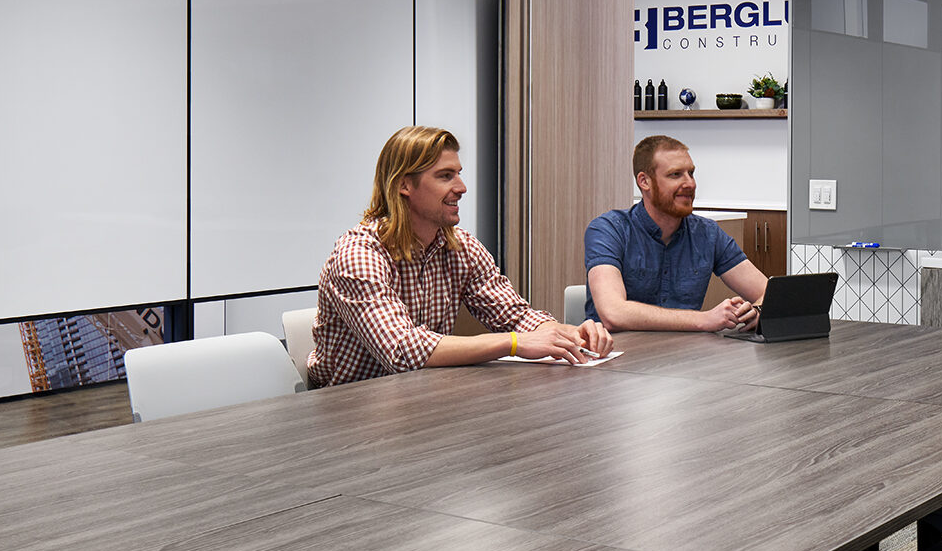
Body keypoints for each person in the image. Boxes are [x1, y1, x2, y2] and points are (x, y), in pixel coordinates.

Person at [307, 125, 611, 387]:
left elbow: (515, 315)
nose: (462, 187)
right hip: (347, 410)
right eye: (445, 176)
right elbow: (401, 350)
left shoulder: (461, 247)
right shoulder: (359, 253)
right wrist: (515, 343)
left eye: (459, 174)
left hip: (422, 396)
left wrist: (563, 334)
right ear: (403, 185)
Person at [583, 136, 769, 331]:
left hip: (684, 356)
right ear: (644, 181)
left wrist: (757, 311)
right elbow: (613, 313)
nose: (690, 183)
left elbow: (770, 294)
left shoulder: (708, 233)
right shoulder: (608, 230)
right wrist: (703, 319)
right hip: (617, 355)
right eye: (675, 175)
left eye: (691, 173)